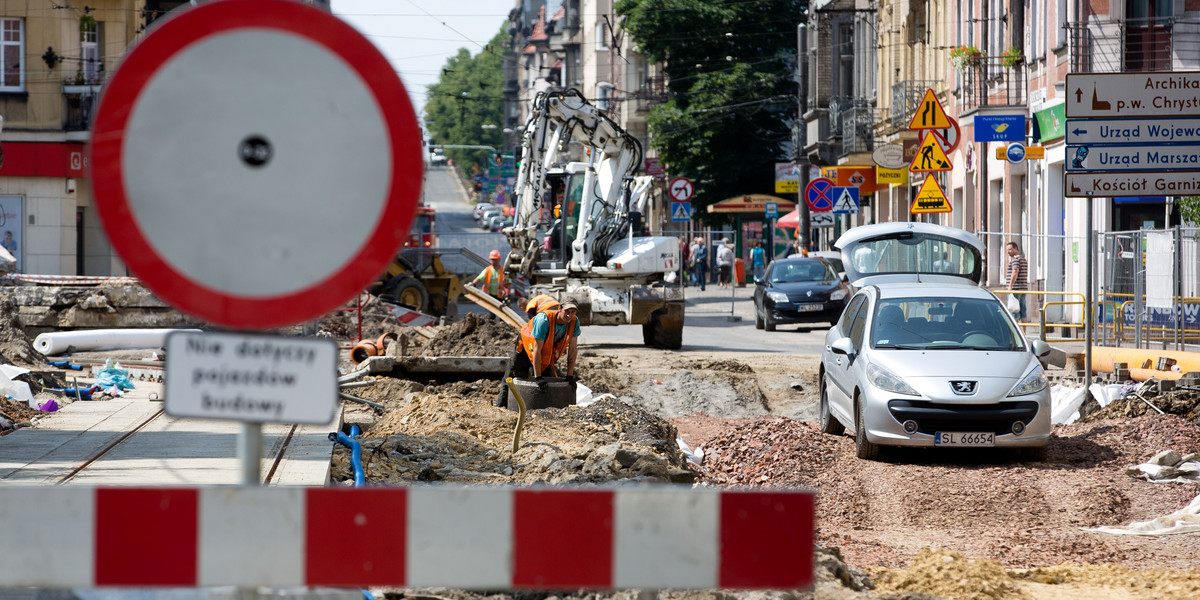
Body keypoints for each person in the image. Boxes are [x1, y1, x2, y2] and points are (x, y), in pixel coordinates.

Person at [496, 299, 581, 408]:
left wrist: (569, 376)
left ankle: (537, 410)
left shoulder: (574, 322)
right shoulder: (544, 320)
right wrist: (537, 376)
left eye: (573, 312)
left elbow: (573, 350)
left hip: (544, 350)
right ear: (559, 309)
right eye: (567, 311)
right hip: (525, 346)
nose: (569, 315)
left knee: (546, 381)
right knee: (512, 378)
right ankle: (501, 408)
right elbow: (536, 349)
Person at [1006, 241, 1029, 321]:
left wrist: (1010, 286)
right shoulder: (1023, 259)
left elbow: (1015, 271)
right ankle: (1023, 332)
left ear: (1015, 248)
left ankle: (1014, 332)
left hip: (1015, 289)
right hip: (1023, 288)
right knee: (1023, 311)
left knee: (1013, 311)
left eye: (1010, 249)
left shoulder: (1015, 259)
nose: (1008, 252)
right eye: (1007, 250)